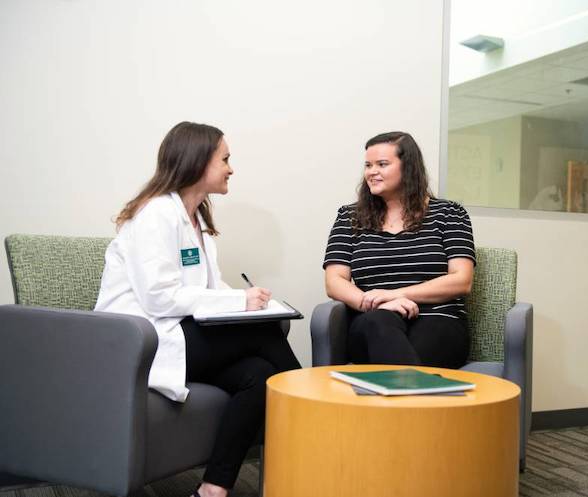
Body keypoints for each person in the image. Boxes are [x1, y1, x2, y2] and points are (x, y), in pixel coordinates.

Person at [95, 121, 300, 497]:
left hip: (180, 333)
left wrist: (250, 300)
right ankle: (314, 418)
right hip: (141, 342)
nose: (231, 168)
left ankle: (212, 490)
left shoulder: (197, 219)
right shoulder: (156, 214)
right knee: (262, 332)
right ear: (198, 161)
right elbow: (158, 296)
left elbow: (207, 288)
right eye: (225, 159)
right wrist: (240, 303)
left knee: (258, 373)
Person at [323, 131, 476, 369]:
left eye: (382, 164)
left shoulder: (449, 214)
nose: (372, 172)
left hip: (438, 319)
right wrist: (370, 302)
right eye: (368, 165)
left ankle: (399, 395)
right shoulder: (349, 217)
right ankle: (416, 397)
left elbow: (461, 281)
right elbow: (334, 281)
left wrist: (395, 294)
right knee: (379, 325)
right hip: (372, 319)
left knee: (407, 353)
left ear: (409, 167)